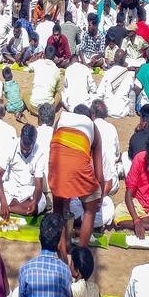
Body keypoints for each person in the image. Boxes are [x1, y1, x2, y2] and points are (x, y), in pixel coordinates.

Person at [47, 105, 104, 256]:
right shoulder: (92, 126)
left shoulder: (61, 119)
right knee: (90, 210)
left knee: (58, 210)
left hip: (56, 164)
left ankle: (63, 253)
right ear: (91, 116)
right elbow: (99, 173)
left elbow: (53, 148)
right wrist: (100, 196)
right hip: (75, 165)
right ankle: (78, 262)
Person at [0, 123, 47, 218]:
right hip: (11, 188)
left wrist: (34, 202)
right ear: (20, 138)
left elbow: (38, 184)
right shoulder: (10, 145)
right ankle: (13, 208)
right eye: (23, 148)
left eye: (28, 149)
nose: (25, 151)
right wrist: (3, 202)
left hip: (28, 191)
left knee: (41, 202)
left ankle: (10, 209)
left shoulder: (40, 152)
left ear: (34, 142)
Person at [97, 49, 136, 118]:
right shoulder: (128, 75)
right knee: (132, 92)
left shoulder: (108, 73)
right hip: (122, 111)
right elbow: (131, 93)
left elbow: (99, 92)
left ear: (114, 59)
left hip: (107, 110)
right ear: (124, 60)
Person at [26, 45, 62, 115]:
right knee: (58, 94)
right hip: (48, 110)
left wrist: (29, 62)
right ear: (54, 57)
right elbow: (57, 89)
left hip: (34, 107)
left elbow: (30, 66)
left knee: (25, 93)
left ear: (44, 54)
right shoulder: (57, 70)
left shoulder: (38, 63)